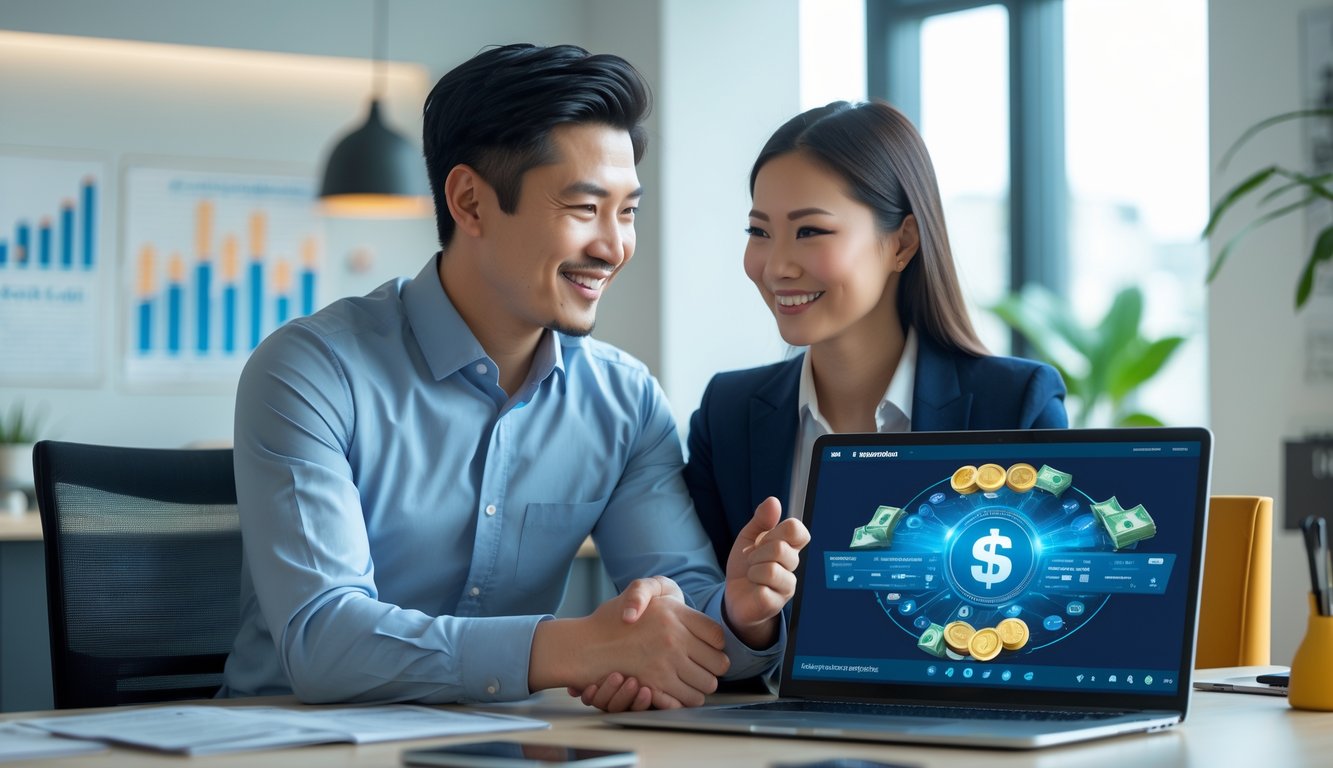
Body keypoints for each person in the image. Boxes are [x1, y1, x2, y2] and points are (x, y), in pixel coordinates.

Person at [220, 44, 807, 711]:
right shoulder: (313, 372)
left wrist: (737, 613)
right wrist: (578, 648)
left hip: (505, 745)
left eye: (628, 212)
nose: (614, 247)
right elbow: (324, 641)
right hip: (292, 745)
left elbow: (684, 624)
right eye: (585, 209)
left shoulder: (624, 401)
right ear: (470, 202)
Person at [685, 99, 1068, 655]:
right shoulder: (729, 412)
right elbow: (702, 619)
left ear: (903, 243)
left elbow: (1048, 623)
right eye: (759, 231)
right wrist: (749, 621)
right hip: (771, 730)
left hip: (958, 728)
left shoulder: (1014, 405)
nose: (776, 266)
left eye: (810, 231)